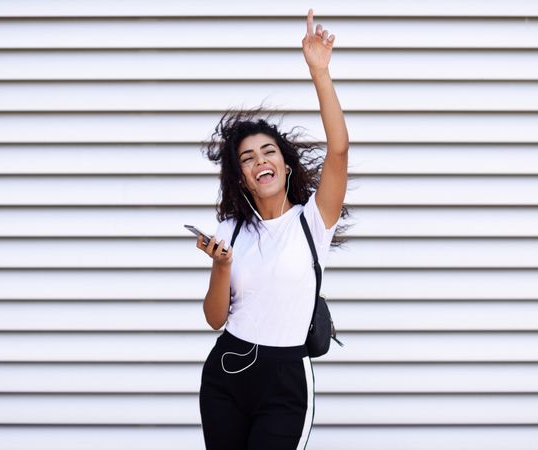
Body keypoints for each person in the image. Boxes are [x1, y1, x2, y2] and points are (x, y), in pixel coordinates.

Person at [196, 8, 349, 450]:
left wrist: (319, 71)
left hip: (285, 381)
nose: (260, 160)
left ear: (284, 164)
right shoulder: (230, 230)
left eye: (268, 152)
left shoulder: (311, 220)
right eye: (247, 158)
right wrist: (221, 265)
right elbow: (214, 319)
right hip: (226, 371)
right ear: (240, 176)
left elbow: (338, 151)